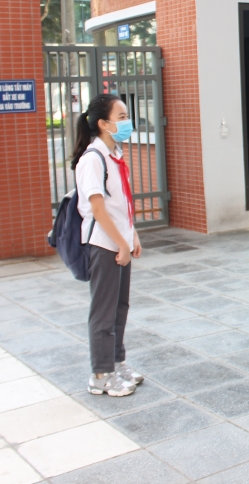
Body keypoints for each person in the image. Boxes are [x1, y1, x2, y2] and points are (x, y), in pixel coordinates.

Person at [72, 94, 144, 397]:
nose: (127, 122)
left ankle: (116, 362)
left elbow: (120, 204)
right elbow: (98, 210)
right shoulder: (93, 159)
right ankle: (101, 374)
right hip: (104, 244)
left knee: (119, 307)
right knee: (103, 311)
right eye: (122, 116)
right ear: (103, 123)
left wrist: (132, 236)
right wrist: (120, 243)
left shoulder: (115, 155)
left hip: (118, 241)